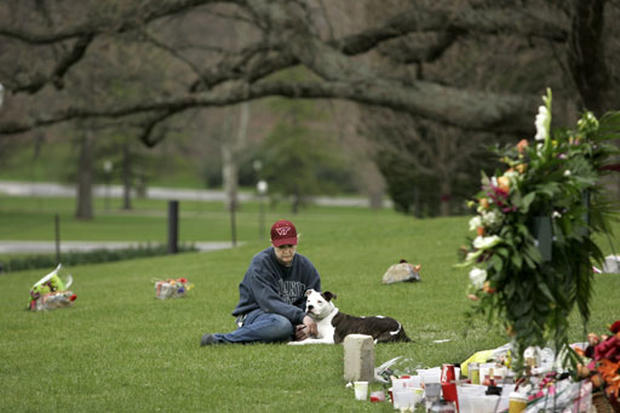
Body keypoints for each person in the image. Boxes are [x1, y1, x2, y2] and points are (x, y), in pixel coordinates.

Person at [200, 219, 321, 345]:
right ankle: (219, 340)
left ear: (297, 241)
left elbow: (315, 300)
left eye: (290, 246)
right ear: (272, 243)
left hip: (290, 317)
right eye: (281, 247)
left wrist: (306, 325)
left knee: (295, 324)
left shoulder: (305, 266)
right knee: (282, 325)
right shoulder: (261, 263)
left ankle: (287, 333)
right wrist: (300, 318)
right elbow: (269, 302)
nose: (286, 251)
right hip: (256, 312)